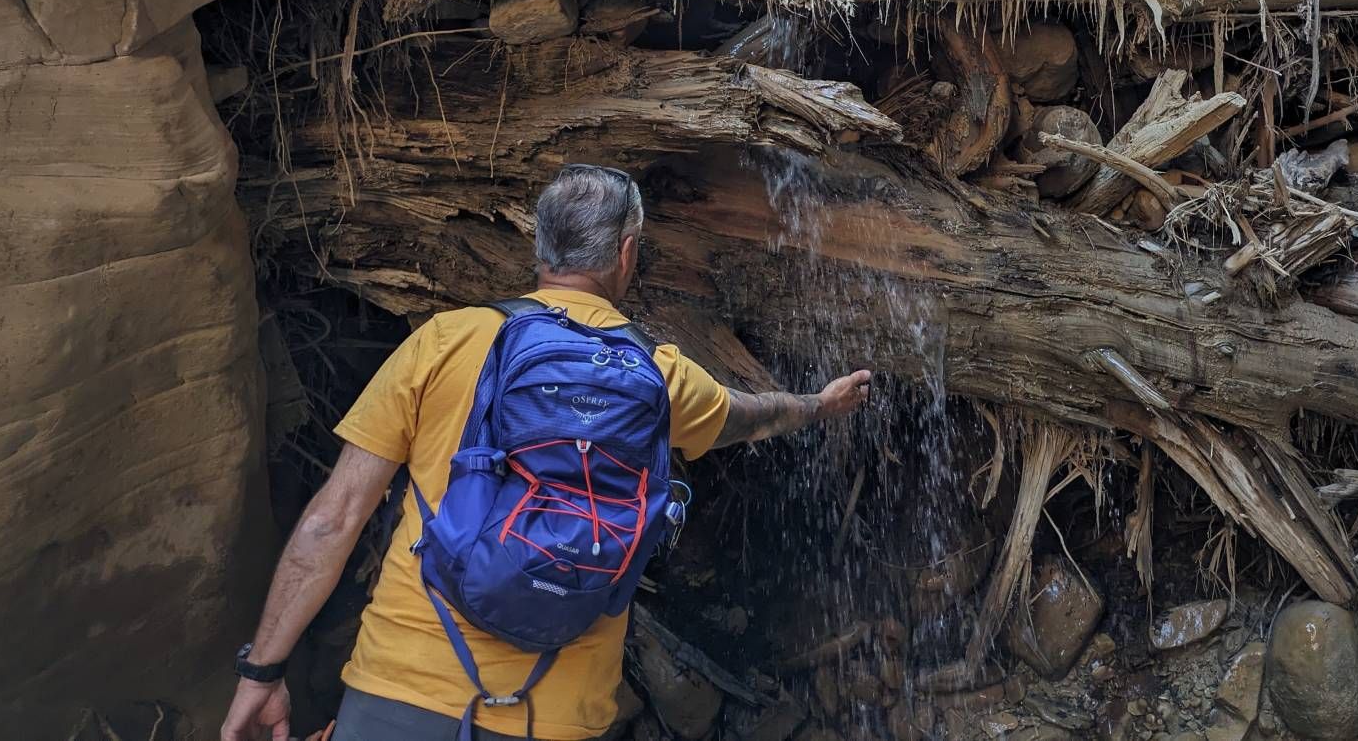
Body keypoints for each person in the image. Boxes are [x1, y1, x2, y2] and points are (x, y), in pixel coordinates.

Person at [222, 164, 872, 741]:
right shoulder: (661, 374)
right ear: (626, 253)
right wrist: (819, 403)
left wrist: (262, 671)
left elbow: (331, 521)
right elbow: (749, 418)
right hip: (555, 714)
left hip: (401, 690)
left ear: (540, 250)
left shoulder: (447, 341)